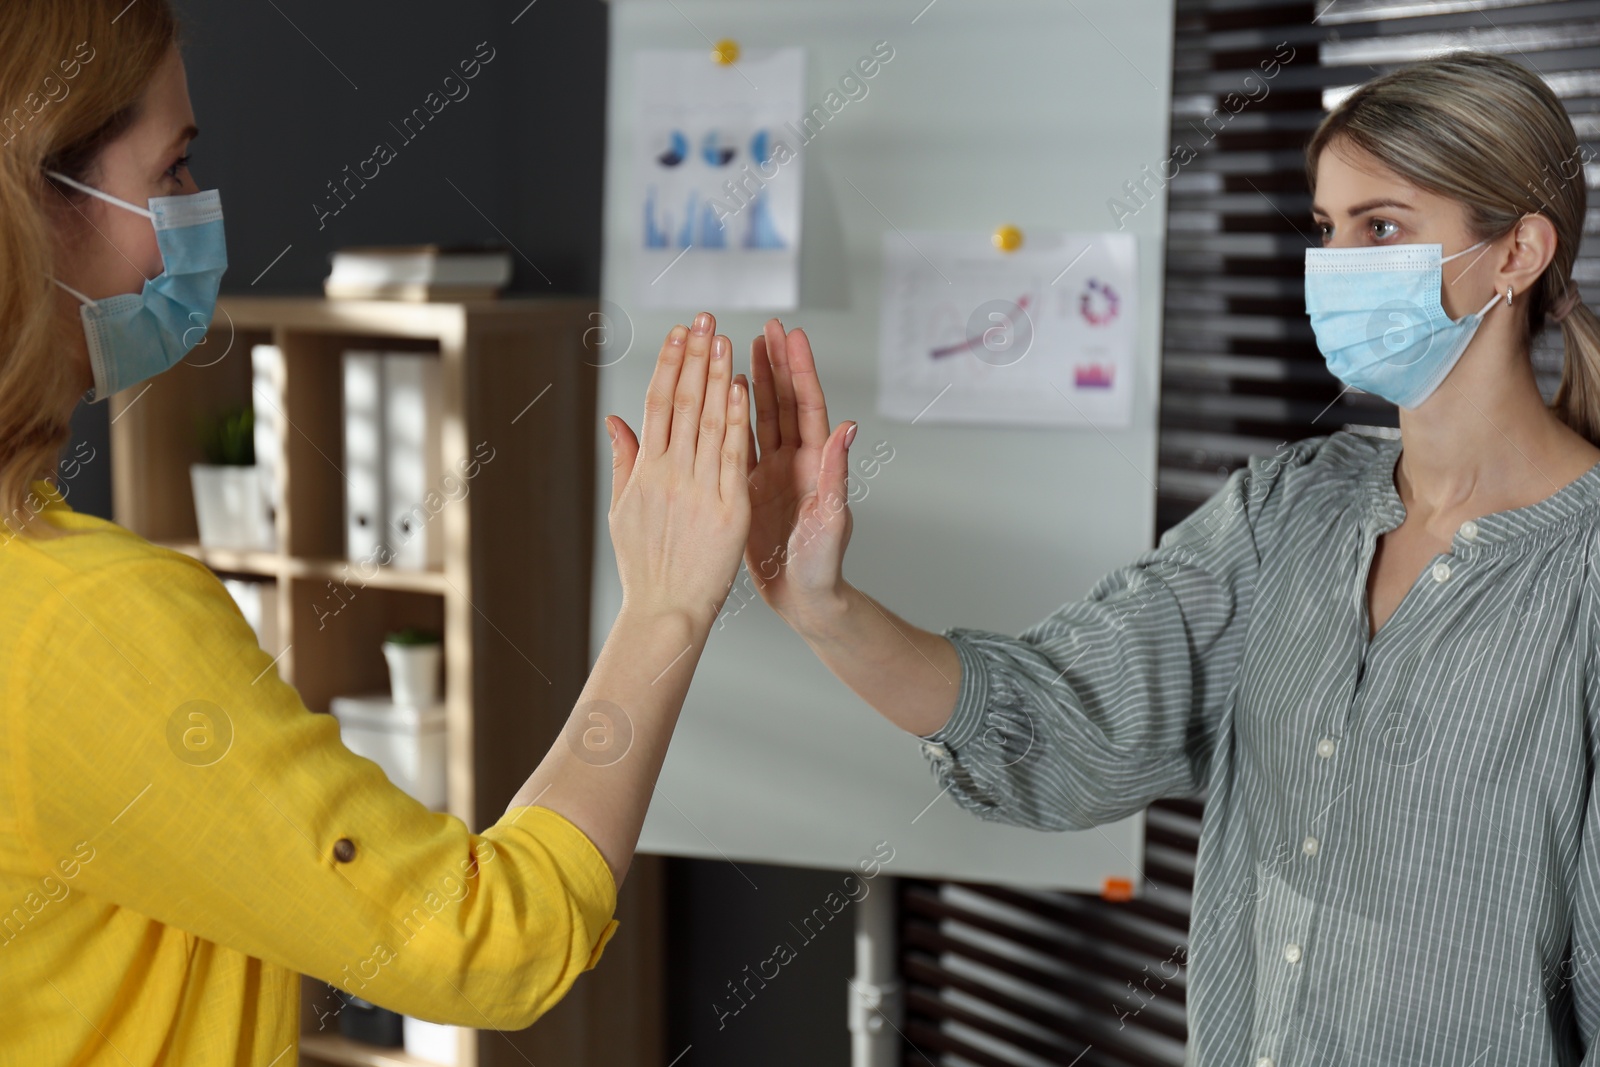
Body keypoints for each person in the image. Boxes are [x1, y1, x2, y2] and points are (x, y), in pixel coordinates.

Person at [743, 51, 1600, 1063]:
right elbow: (1062, 720)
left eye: (1382, 228)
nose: (1336, 264)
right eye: (1326, 231)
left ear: (1517, 254)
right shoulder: (1285, 511)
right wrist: (823, 605)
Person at [0, 2, 754, 1062]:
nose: (197, 211)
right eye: (172, 169)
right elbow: (494, 941)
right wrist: (666, 609)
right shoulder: (88, 624)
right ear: (37, 202)